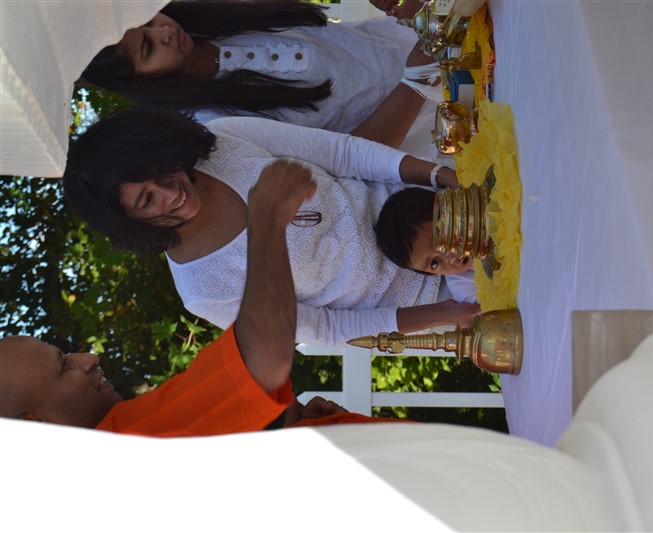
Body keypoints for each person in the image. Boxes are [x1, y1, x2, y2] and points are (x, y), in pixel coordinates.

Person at [0, 161, 389, 437]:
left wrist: (292, 434)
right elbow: (263, 362)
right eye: (63, 367)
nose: (88, 358)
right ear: (37, 425)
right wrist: (267, 218)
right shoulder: (129, 438)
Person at [62, 107, 481, 346]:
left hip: (439, 208)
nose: (169, 191)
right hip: (443, 297)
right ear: (131, 224)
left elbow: (342, 153)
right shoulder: (204, 292)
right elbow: (326, 328)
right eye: (146, 200)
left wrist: (438, 176)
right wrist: (445, 314)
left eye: (157, 169)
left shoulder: (223, 139)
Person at [81, 1, 441, 156]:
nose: (162, 31)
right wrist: (417, 79)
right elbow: (352, 155)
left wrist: (401, 10)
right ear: (140, 82)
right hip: (439, 127)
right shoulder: (217, 124)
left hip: (428, 38)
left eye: (148, 20)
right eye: (147, 47)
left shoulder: (220, 14)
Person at [376, 187, 477, 304]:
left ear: (450, 208)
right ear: (431, 273)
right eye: (434, 263)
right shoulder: (461, 285)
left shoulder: (477, 200)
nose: (451, 256)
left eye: (441, 237)